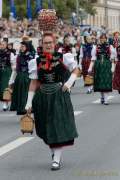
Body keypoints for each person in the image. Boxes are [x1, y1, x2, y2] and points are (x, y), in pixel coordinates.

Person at [25, 32, 79, 170]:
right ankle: (54, 152)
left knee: (57, 126)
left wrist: (69, 83)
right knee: (45, 127)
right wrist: (29, 102)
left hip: (59, 96)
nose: (48, 45)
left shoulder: (63, 57)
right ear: (41, 45)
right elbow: (33, 83)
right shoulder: (36, 61)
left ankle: (56, 158)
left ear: (54, 44)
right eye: (45, 43)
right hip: (43, 97)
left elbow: (76, 70)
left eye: (50, 42)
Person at [88, 34, 116, 105]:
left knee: (106, 82)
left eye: (104, 38)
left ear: (106, 39)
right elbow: (93, 58)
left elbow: (112, 58)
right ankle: (102, 97)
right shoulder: (96, 47)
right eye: (101, 38)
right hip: (98, 66)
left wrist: (112, 67)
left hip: (107, 65)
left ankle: (106, 99)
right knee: (100, 82)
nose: (103, 39)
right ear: (99, 39)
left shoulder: (110, 46)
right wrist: (90, 67)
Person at [10, 41, 34, 115]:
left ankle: (27, 108)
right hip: (20, 77)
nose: (21, 48)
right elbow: (17, 68)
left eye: (23, 46)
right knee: (20, 93)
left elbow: (32, 67)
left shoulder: (31, 56)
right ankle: (21, 108)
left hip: (28, 76)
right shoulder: (19, 56)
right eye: (21, 46)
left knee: (27, 93)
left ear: (27, 47)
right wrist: (12, 80)